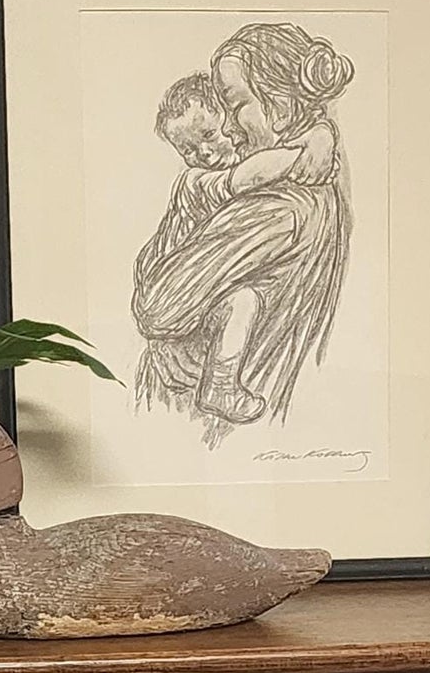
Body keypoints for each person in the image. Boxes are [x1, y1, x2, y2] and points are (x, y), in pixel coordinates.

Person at [131, 23, 353, 437]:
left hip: (199, 419)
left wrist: (312, 143)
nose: (228, 132)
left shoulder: (278, 210)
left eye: (233, 108)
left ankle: (221, 383)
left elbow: (157, 307)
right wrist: (318, 138)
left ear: (282, 106)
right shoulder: (293, 178)